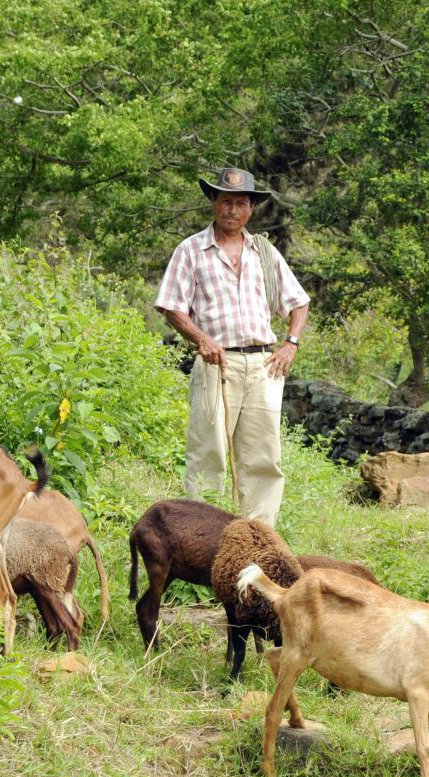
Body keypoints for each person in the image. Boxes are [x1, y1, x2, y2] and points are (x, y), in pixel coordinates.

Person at [155, 167, 309, 526]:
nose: (232, 210)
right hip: (216, 362)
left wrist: (290, 344)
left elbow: (298, 302)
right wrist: (201, 339)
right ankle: (200, 535)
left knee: (263, 457)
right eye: (226, 202)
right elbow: (171, 306)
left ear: (251, 208)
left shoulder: (265, 253)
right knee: (208, 452)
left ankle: (257, 536)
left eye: (241, 203)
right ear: (213, 202)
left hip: (264, 364)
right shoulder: (191, 250)